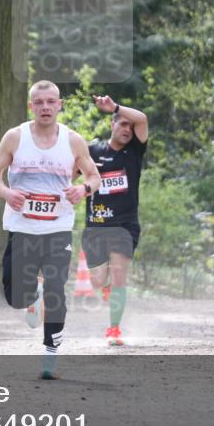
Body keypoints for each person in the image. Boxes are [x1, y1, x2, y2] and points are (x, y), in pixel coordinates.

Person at [0, 80, 101, 379]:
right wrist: (7, 194)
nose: (46, 107)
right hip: (21, 228)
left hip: (57, 229)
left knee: (56, 289)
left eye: (51, 101)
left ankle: (50, 357)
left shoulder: (73, 141)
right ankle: (31, 294)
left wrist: (83, 189)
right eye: (40, 102)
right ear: (31, 106)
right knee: (15, 298)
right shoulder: (15, 137)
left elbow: (94, 176)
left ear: (60, 105)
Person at [82, 95, 148, 346]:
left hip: (125, 226)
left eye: (130, 127)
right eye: (122, 124)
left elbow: (142, 119)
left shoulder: (135, 152)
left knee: (119, 273)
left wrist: (117, 108)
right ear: (112, 126)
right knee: (98, 281)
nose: (127, 130)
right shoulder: (92, 150)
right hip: (97, 225)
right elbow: (72, 174)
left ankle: (114, 330)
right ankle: (110, 290)